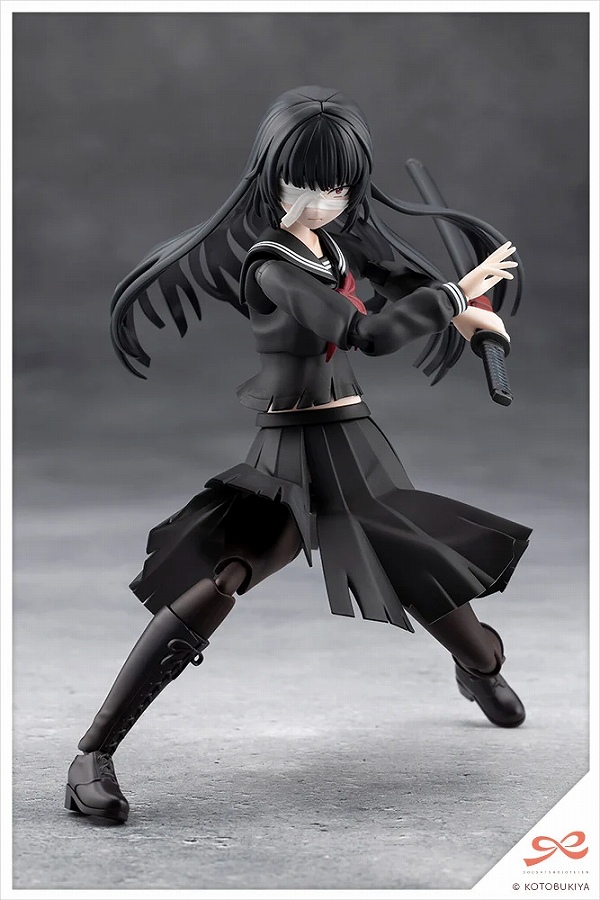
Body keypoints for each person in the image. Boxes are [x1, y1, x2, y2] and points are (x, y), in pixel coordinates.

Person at [65, 86, 531, 824]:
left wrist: (470, 315)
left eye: (336, 187)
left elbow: (403, 281)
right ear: (270, 176)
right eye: (302, 184)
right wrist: (454, 297)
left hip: (354, 444)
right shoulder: (271, 266)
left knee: (420, 567)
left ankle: (481, 667)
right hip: (288, 450)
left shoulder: (341, 241)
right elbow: (365, 332)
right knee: (225, 577)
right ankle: (92, 754)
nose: (320, 201)